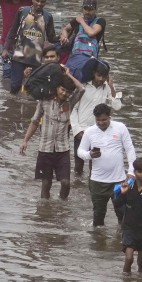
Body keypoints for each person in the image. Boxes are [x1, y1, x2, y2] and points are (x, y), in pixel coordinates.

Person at [20, 70, 84, 200]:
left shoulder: (70, 103)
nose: (64, 93)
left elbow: (81, 89)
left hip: (63, 149)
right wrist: (25, 140)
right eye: (62, 90)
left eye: (67, 92)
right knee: (46, 183)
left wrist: (68, 75)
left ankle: (62, 204)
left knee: (66, 182)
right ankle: (45, 210)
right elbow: (35, 121)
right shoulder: (44, 102)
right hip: (45, 148)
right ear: (57, 88)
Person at [76, 103, 136, 227]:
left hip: (119, 180)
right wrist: (90, 155)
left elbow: (129, 149)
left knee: (122, 213)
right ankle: (98, 241)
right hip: (97, 181)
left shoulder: (120, 128)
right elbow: (80, 151)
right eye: (98, 120)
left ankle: (122, 239)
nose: (101, 123)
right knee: (98, 215)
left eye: (104, 120)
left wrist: (131, 171)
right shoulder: (89, 131)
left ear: (110, 117)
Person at [2, 0, 57, 94]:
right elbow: (12, 31)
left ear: (45, 2)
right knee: (15, 87)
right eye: (37, 0)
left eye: (42, 1)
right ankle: (12, 107)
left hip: (36, 59)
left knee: (33, 89)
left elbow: (51, 37)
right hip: (19, 56)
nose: (39, 4)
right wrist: (5, 49)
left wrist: (62, 39)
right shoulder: (23, 11)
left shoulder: (47, 17)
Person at [70, 64, 118, 175]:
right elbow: (73, 109)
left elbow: (117, 106)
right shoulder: (82, 86)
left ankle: (93, 186)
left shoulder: (108, 88)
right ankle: (77, 186)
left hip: (99, 131)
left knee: (96, 162)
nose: (101, 79)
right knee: (78, 162)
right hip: (81, 130)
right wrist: (77, 130)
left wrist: (111, 86)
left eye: (104, 77)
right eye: (98, 75)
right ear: (93, 73)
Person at [59, 0, 105, 81]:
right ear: (82, 8)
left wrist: (81, 21)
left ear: (96, 9)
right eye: (85, 9)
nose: (87, 12)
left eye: (90, 9)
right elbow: (65, 29)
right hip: (75, 55)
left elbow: (91, 33)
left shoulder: (100, 21)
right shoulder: (77, 21)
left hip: (90, 57)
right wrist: (65, 38)